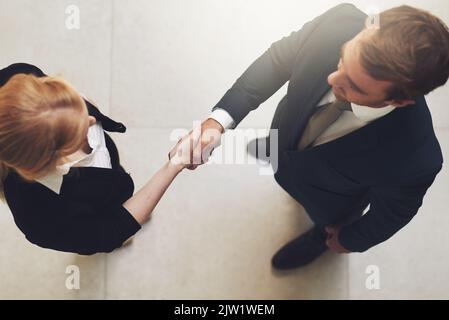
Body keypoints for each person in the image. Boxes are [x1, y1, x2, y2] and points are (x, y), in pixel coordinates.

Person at [171, 4, 449, 269]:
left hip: (326, 202)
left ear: (399, 101)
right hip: (288, 128)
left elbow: (389, 217)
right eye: (343, 58)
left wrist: (345, 240)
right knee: (280, 147)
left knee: (326, 225)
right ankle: (276, 150)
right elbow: (278, 60)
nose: (333, 79)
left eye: (353, 85)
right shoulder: (340, 22)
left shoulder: (416, 159)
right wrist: (216, 122)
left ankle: (319, 240)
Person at [0, 63, 196, 255]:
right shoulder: (38, 218)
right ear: (45, 161)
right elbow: (111, 231)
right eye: (75, 134)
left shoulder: (19, 77)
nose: (92, 120)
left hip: (106, 179)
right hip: (96, 207)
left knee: (116, 177)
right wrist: (174, 165)